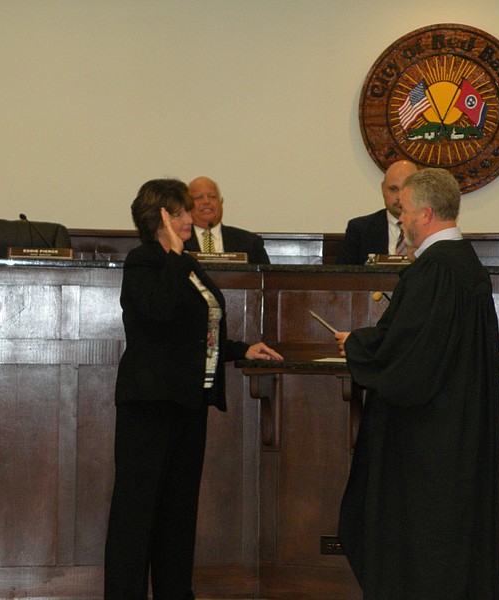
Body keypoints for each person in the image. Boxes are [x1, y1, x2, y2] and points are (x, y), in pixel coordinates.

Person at [104, 178, 282, 600]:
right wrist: (173, 255)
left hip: (188, 402)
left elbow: (200, 328)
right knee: (136, 513)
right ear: (159, 217)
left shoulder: (187, 263)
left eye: (187, 211)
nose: (190, 218)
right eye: (180, 212)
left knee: (177, 514)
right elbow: (158, 314)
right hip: (149, 405)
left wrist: (241, 349)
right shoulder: (144, 262)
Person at [333, 168, 499, 599]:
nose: (401, 220)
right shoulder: (466, 266)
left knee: (419, 544)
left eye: (405, 211)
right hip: (457, 430)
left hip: (426, 439)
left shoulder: (434, 271)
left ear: (425, 214)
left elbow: (408, 356)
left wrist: (357, 344)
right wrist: (370, 342)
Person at [334, 160, 419, 265]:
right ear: (383, 189)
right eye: (393, 189)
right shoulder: (360, 229)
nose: (399, 197)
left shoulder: (431, 228)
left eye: (405, 190)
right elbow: (343, 275)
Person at [182, 176, 270, 264]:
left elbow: (266, 276)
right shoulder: (178, 242)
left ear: (221, 202)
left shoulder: (250, 242)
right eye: (198, 197)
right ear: (188, 205)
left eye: (212, 197)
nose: (206, 201)